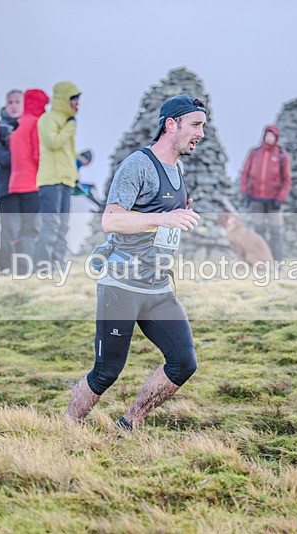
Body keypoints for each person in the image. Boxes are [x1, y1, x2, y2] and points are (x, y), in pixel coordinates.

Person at [67, 94, 206, 430]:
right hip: (121, 286)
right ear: (171, 124)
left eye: (203, 126)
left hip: (157, 287)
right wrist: (165, 219)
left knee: (183, 362)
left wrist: (176, 216)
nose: (201, 133)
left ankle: (129, 423)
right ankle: (65, 428)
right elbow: (111, 220)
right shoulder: (138, 165)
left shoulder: (178, 167)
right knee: (106, 372)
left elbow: (162, 215)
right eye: (196, 125)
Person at [34, 81, 80, 269]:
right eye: (74, 99)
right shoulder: (47, 119)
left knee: (63, 226)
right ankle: (42, 266)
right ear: (64, 100)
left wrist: (75, 174)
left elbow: (67, 153)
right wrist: (69, 128)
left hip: (66, 180)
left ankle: (58, 265)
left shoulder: (69, 122)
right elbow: (53, 143)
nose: (77, 104)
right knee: (50, 224)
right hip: (50, 180)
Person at [7, 88, 49, 272]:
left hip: (14, 182)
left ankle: (16, 266)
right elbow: (37, 154)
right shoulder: (35, 123)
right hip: (32, 183)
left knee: (15, 229)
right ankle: (27, 267)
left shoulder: (16, 124)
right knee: (30, 228)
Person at [239, 124, 292, 261]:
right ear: (264, 136)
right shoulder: (254, 153)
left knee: (276, 232)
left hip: (274, 201)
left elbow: (287, 180)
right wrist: (245, 192)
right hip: (256, 199)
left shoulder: (281, 155)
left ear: (276, 137)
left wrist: (280, 199)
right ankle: (260, 260)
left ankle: (278, 261)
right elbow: (245, 173)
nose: (269, 138)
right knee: (258, 231)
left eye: (272, 136)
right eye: (267, 135)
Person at [0, 89, 22, 272]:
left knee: (28, 227)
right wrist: (21, 158)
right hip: (6, 187)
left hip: (30, 188)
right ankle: (5, 266)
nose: (14, 106)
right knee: (9, 228)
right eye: (11, 102)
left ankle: (25, 265)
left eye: (18, 102)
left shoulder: (32, 127)